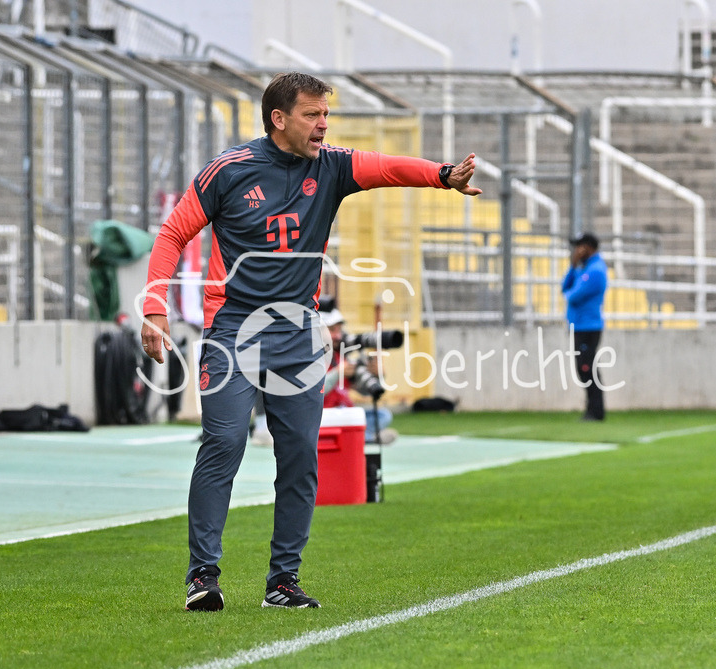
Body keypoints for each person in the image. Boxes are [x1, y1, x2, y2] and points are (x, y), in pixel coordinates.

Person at [139, 72, 481, 611]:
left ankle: (283, 581)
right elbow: (173, 233)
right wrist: (155, 306)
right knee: (224, 444)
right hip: (233, 330)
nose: (323, 124)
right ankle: (202, 575)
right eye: (312, 114)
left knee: (300, 456)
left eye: (326, 114)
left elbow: (388, 167)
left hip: (297, 334)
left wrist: (443, 177)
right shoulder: (229, 171)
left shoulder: (333, 166)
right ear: (279, 118)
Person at [319, 308, 397, 445]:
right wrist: (337, 373)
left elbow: (364, 392)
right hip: (322, 416)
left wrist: (377, 376)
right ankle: (367, 438)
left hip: (345, 414)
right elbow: (314, 392)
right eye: (332, 330)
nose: (338, 336)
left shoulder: (340, 356)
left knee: (383, 415)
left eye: (339, 330)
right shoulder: (312, 357)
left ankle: (357, 436)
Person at [561, 232, 608, 421]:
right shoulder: (584, 268)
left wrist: (571, 289)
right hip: (580, 325)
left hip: (588, 327)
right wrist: (573, 266)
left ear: (588, 247)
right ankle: (593, 409)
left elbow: (572, 296)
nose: (576, 250)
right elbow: (565, 287)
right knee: (583, 369)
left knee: (587, 368)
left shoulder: (595, 270)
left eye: (579, 246)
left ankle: (596, 410)